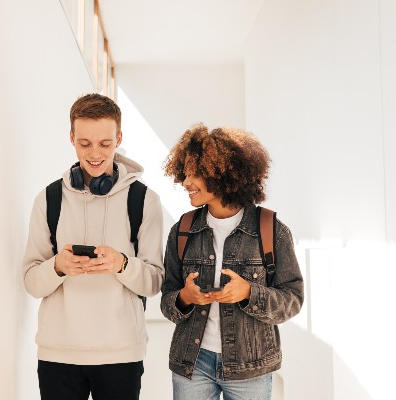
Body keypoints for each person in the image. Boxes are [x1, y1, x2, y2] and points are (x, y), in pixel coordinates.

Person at [22, 93, 164, 400]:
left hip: (121, 354)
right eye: (85, 143)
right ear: (71, 138)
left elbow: (155, 282)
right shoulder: (48, 200)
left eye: (105, 143)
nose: (95, 153)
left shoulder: (144, 201)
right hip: (58, 354)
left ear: (119, 138)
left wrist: (122, 265)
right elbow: (32, 281)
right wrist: (57, 267)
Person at [160, 124, 304, 400]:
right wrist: (184, 298)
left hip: (252, 367)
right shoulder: (183, 230)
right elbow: (168, 299)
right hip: (192, 364)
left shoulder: (270, 229)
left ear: (222, 173)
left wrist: (250, 293)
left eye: (196, 173)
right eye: (184, 172)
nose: (185, 182)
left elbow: (293, 299)